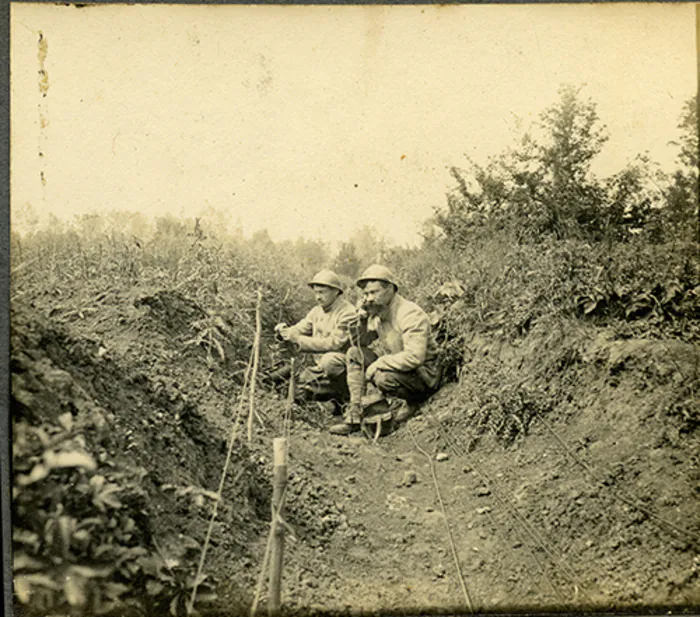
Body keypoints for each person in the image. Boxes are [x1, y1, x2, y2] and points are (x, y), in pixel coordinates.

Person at [329, 265, 441, 435]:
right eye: (366, 294)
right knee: (354, 353)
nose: (369, 298)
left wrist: (380, 363)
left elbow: (415, 357)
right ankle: (355, 415)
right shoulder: (380, 312)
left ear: (390, 289)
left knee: (382, 377)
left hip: (424, 375)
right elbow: (362, 343)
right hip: (404, 371)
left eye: (374, 292)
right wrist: (361, 322)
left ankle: (414, 402)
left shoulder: (409, 314)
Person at [274, 269, 357, 408]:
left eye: (322, 292)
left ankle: (345, 397)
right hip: (321, 369)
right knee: (297, 390)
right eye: (316, 292)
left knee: (329, 361)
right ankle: (332, 398)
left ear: (336, 292)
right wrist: (284, 331)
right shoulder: (317, 311)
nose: (318, 297)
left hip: (345, 368)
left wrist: (298, 340)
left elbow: (334, 343)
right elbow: (300, 328)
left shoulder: (348, 313)